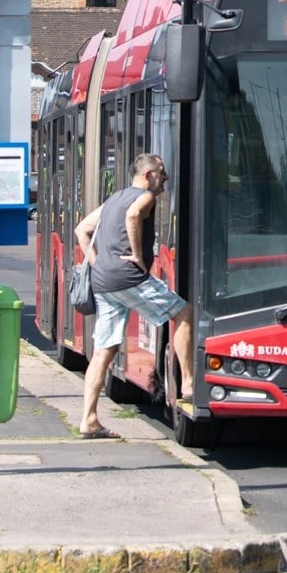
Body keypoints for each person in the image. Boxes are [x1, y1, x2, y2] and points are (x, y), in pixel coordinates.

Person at [75, 152, 195, 438]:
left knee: (105, 350)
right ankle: (189, 384)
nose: (165, 178)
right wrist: (139, 257)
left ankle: (88, 419)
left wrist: (99, 263)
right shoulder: (145, 197)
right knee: (184, 313)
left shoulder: (114, 198)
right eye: (162, 173)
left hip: (104, 282)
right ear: (148, 176)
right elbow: (133, 216)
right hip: (128, 278)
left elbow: (82, 229)